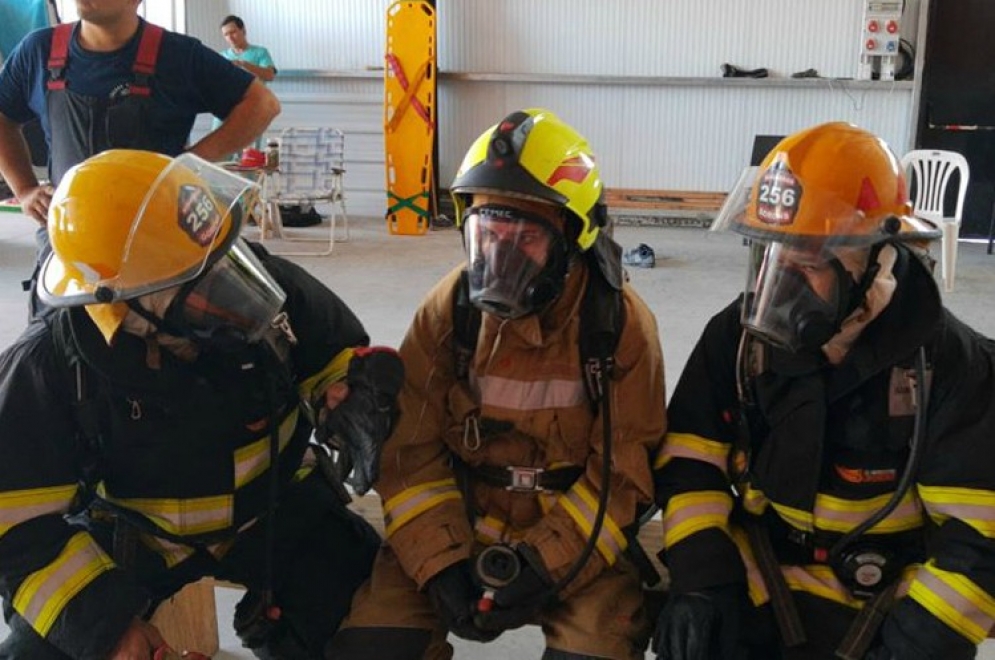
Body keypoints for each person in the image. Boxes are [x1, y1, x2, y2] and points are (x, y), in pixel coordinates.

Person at [0, 149, 403, 659]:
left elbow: (337, 350)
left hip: (280, 511)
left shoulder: (260, 279)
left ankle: (287, 628)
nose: (234, 290)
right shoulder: (48, 366)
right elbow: (15, 524)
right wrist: (104, 624)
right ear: (126, 305)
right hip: (137, 538)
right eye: (199, 283)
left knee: (382, 633)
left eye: (224, 258)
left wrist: (351, 394)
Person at [327, 108, 668, 660]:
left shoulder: (617, 325)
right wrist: (439, 564)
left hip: (577, 548)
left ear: (574, 238)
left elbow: (625, 475)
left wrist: (543, 565)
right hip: (458, 526)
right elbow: (408, 453)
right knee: (372, 647)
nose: (500, 254)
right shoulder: (450, 309)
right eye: (489, 231)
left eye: (526, 235)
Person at [651, 122, 995, 660]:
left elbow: (979, 540)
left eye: (806, 264)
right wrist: (703, 582)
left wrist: (911, 650)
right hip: (760, 577)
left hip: (885, 601)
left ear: (877, 258)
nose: (780, 289)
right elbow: (691, 461)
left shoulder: (951, 366)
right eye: (771, 259)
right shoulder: (737, 340)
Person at [0, 0, 280, 318]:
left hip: (161, 243)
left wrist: (191, 164)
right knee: (55, 349)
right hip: (69, 244)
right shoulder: (38, 51)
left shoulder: (177, 55)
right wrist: (24, 190)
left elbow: (261, 104)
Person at [219, 15, 276, 84]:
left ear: (243, 31)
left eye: (233, 32)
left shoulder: (260, 52)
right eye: (226, 34)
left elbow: (270, 76)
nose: (230, 37)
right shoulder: (222, 57)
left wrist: (244, 64)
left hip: (256, 94)